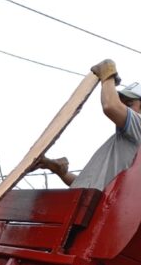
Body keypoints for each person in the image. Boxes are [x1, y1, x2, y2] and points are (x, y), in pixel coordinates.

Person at [37, 60, 141, 190]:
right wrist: (59, 171)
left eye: (129, 104)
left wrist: (108, 73)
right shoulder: (122, 145)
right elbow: (85, 186)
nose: (124, 107)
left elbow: (110, 106)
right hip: (89, 205)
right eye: (122, 103)